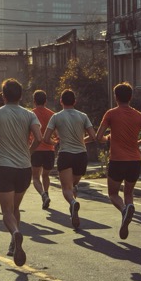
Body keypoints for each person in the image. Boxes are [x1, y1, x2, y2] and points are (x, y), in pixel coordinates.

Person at [0, 79, 42, 267]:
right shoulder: (29, 114)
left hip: (4, 167)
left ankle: (15, 233)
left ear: (4, 96)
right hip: (24, 169)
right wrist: (29, 152)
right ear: (21, 96)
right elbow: (39, 138)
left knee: (7, 211)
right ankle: (13, 241)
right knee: (15, 208)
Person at [96, 82, 141, 239]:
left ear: (116, 97)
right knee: (128, 192)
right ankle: (129, 207)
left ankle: (124, 210)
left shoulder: (111, 113)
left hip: (117, 160)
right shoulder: (139, 115)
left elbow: (98, 136)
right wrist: (138, 142)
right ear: (131, 97)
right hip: (135, 161)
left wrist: (107, 138)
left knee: (113, 193)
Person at [43, 89, 97, 230]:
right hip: (81, 155)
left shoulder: (56, 117)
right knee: (73, 185)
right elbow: (93, 136)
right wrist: (82, 140)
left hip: (66, 154)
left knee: (66, 188)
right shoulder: (83, 116)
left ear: (61, 101)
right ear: (74, 101)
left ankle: (72, 203)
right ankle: (73, 207)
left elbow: (45, 138)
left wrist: (54, 143)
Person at [30, 90, 55, 210]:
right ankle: (47, 192)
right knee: (46, 175)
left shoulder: (30, 114)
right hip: (49, 149)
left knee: (35, 177)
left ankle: (43, 194)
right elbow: (56, 133)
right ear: (46, 101)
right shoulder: (52, 114)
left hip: (36, 149)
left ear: (34, 101)